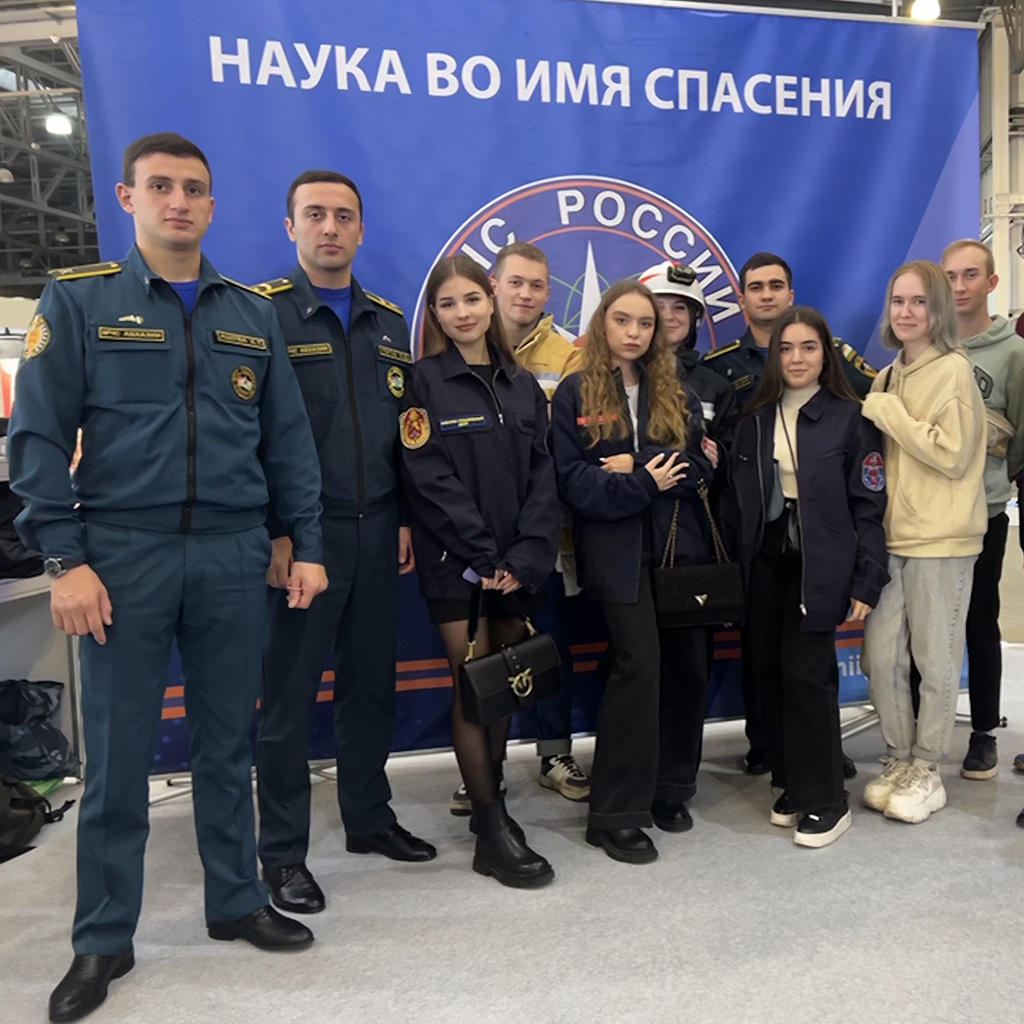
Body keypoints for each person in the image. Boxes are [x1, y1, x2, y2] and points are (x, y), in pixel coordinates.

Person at [7, 133, 328, 1024]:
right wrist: (64, 560)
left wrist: (301, 541)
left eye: (193, 189)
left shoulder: (250, 312)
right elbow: (35, 439)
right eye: (161, 187)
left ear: (212, 205)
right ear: (128, 198)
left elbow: (288, 442)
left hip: (232, 552)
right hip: (122, 556)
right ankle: (103, 937)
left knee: (228, 743)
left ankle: (236, 900)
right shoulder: (80, 300)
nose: (178, 202)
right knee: (117, 759)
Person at [253, 170, 435, 917]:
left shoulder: (388, 324)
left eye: (343, 216)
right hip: (305, 537)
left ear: (361, 229)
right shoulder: (261, 315)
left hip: (378, 530)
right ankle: (282, 854)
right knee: (290, 700)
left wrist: (403, 516)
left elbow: (405, 432)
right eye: (315, 215)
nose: (329, 227)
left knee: (369, 687)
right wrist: (278, 532)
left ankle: (368, 818)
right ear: (290, 226)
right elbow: (249, 435)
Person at [399, 254, 560, 888]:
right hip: (457, 567)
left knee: (505, 682)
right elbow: (427, 476)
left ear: (490, 302)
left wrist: (523, 557)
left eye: (471, 299)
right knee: (474, 685)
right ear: (436, 316)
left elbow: (544, 474)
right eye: (448, 304)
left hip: (518, 566)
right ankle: (490, 827)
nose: (462, 313)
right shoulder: (421, 384)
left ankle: (493, 804)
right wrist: (483, 555)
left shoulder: (522, 384)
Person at [551, 279, 714, 862]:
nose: (634, 332)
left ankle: (670, 788)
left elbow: (701, 469)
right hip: (615, 554)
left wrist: (638, 464)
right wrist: (646, 483)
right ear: (603, 324)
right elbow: (573, 481)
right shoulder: (575, 392)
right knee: (639, 667)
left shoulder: (679, 393)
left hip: (680, 550)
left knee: (686, 668)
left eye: (645, 323)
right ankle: (614, 813)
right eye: (623, 320)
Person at [702, 252, 872, 777]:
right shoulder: (727, 378)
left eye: (776, 285)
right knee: (763, 656)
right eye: (756, 287)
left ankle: (818, 760)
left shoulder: (841, 388)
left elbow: (867, 443)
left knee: (809, 666)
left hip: (819, 543)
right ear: (741, 297)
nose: (796, 359)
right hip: (761, 540)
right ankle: (771, 751)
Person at [725, 307, 888, 848]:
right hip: (764, 560)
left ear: (826, 354)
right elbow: (737, 501)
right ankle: (792, 782)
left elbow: (869, 506)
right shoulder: (754, 417)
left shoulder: (851, 418)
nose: (796, 358)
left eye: (808, 347)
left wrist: (867, 578)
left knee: (807, 675)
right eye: (786, 348)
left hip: (819, 562)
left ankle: (826, 800)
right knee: (770, 672)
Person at [441, 239, 584, 808]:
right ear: (494, 286)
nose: (525, 293)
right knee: (481, 666)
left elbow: (558, 455)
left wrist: (529, 544)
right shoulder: (441, 361)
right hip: (468, 548)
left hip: (539, 539)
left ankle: (554, 754)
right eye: (515, 282)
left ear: (549, 293)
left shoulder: (567, 356)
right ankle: (484, 773)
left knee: (542, 642)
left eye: (537, 285)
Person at [860, 260, 987, 824]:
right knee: (881, 654)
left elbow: (952, 454)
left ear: (938, 310)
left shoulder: (954, 370)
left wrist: (887, 411)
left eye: (918, 302)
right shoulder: (888, 376)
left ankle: (928, 767)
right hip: (891, 537)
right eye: (898, 301)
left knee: (935, 660)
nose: (906, 312)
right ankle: (899, 758)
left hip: (943, 538)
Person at [940, 240, 1024, 782]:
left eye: (971, 275)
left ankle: (984, 731)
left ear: (992, 283)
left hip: (985, 510)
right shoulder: (926, 345)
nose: (960, 286)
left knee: (979, 617)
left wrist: (993, 481)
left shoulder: (1013, 353)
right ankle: (921, 726)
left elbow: (1019, 437)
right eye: (950, 276)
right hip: (928, 514)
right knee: (925, 623)